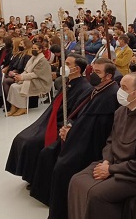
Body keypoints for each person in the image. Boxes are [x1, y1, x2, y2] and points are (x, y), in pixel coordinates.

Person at [69, 73, 136, 219]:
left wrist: (111, 169)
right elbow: (111, 141)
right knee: (76, 180)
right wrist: (106, 161)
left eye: (124, 88)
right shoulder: (122, 111)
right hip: (117, 164)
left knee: (96, 194)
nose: (119, 91)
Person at [33, 58, 120, 218]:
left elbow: (97, 129)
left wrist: (71, 134)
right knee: (49, 153)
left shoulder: (111, 95)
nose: (93, 74)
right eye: (93, 70)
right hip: (80, 136)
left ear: (108, 76)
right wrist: (70, 126)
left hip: (91, 145)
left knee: (62, 168)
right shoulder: (97, 89)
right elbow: (82, 114)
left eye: (98, 72)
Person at [5, 54, 92, 188]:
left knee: (32, 142)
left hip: (60, 123)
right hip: (49, 119)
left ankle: (36, 177)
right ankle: (29, 174)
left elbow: (74, 112)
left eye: (68, 64)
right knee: (21, 138)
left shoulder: (84, 88)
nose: (64, 67)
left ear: (77, 69)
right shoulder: (67, 83)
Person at [6, 42, 52, 116]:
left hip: (40, 82)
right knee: (13, 86)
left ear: (40, 50)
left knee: (18, 88)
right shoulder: (33, 58)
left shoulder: (43, 61)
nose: (33, 50)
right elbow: (27, 70)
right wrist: (19, 76)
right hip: (32, 79)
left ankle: (23, 107)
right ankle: (14, 107)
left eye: (35, 49)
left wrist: (22, 77)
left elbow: (36, 74)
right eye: (33, 48)